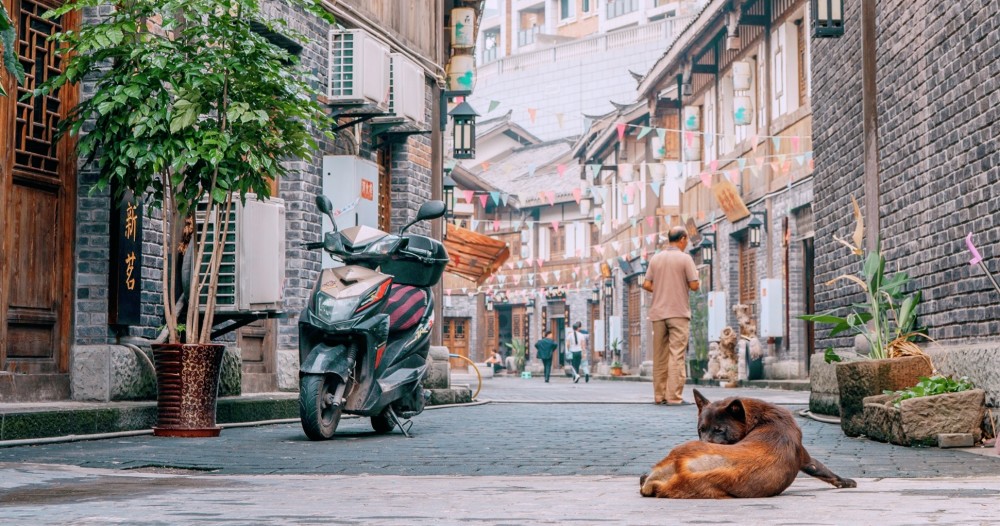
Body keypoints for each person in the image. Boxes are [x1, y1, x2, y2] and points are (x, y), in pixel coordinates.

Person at [643, 226, 700, 405]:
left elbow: (646, 283)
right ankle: (673, 397)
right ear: (682, 238)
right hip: (678, 313)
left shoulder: (656, 258)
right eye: (687, 240)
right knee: (676, 354)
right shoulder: (685, 258)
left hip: (658, 313)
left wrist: (659, 289)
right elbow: (694, 285)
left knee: (659, 355)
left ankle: (659, 396)